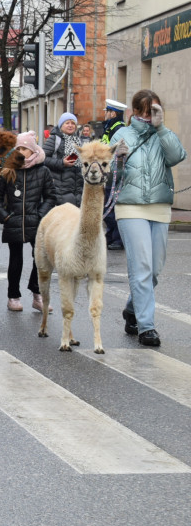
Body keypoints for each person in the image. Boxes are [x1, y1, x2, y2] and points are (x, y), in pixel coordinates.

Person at [109, 89, 186, 347]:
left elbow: (177, 156)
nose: (147, 115)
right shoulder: (123, 134)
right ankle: (147, 327)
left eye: (152, 110)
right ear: (134, 111)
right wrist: (116, 158)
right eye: (143, 110)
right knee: (141, 267)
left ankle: (132, 308)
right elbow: (107, 168)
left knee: (153, 271)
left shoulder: (162, 135)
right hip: (131, 208)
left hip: (160, 207)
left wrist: (161, 127)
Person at [0, 131, 57, 313]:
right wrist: (4, 216)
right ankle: (13, 296)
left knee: (40, 258)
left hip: (36, 222)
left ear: (33, 151)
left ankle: (37, 293)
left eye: (25, 148)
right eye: (18, 148)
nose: (21, 152)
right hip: (13, 221)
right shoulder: (7, 170)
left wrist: (39, 215)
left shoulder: (43, 171)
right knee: (15, 260)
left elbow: (50, 196)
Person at [101, 99, 128, 250]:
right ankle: (111, 236)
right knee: (108, 205)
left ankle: (118, 238)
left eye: (107, 111)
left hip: (114, 170)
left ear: (113, 113)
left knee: (111, 206)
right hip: (109, 170)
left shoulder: (118, 128)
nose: (105, 114)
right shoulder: (111, 126)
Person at [43, 112, 83, 207]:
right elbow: (43, 159)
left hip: (76, 188)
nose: (70, 126)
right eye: (67, 123)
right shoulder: (54, 139)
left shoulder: (77, 140)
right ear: (61, 125)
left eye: (73, 123)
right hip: (60, 188)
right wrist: (62, 163)